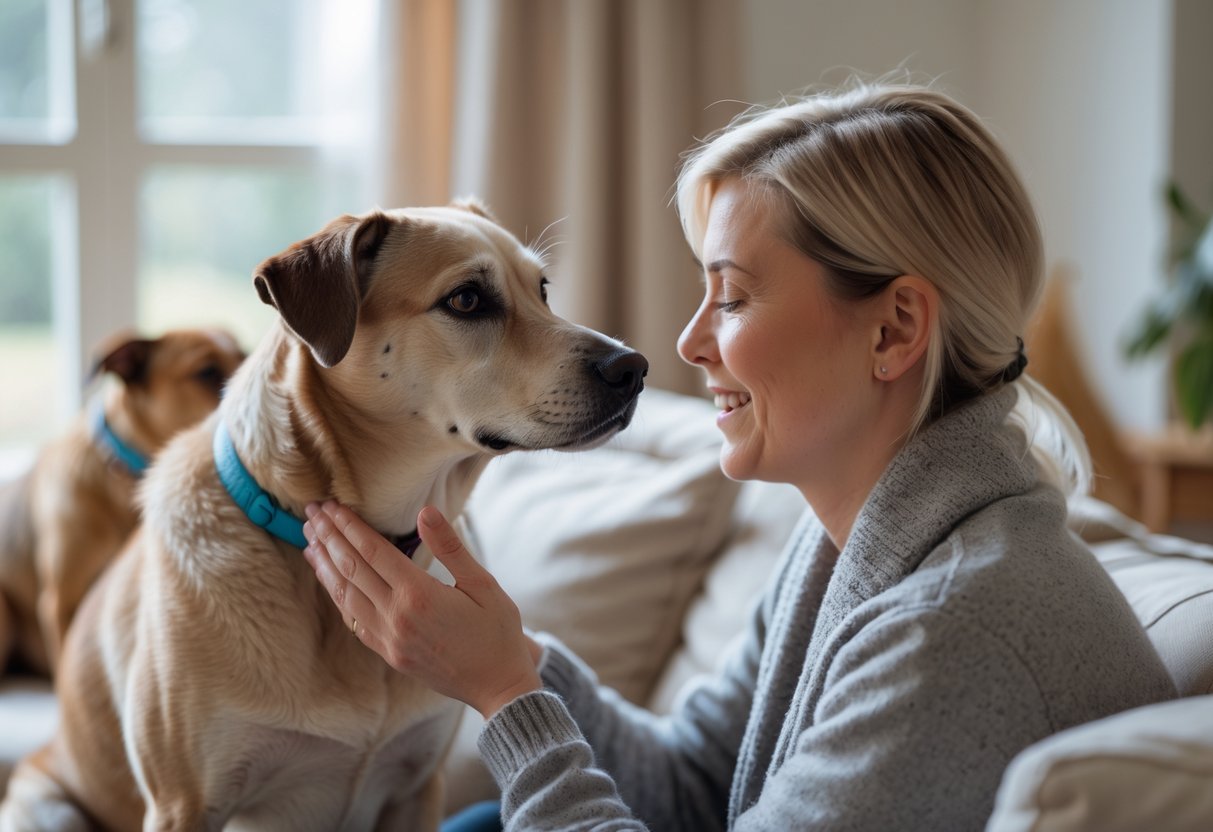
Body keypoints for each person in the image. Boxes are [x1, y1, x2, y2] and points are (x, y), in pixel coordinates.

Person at [300, 83, 1177, 831]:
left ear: (895, 329)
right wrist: (506, 656)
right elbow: (693, 787)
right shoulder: (853, 540)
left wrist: (502, 697)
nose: (685, 343)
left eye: (732, 297)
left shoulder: (953, 634)